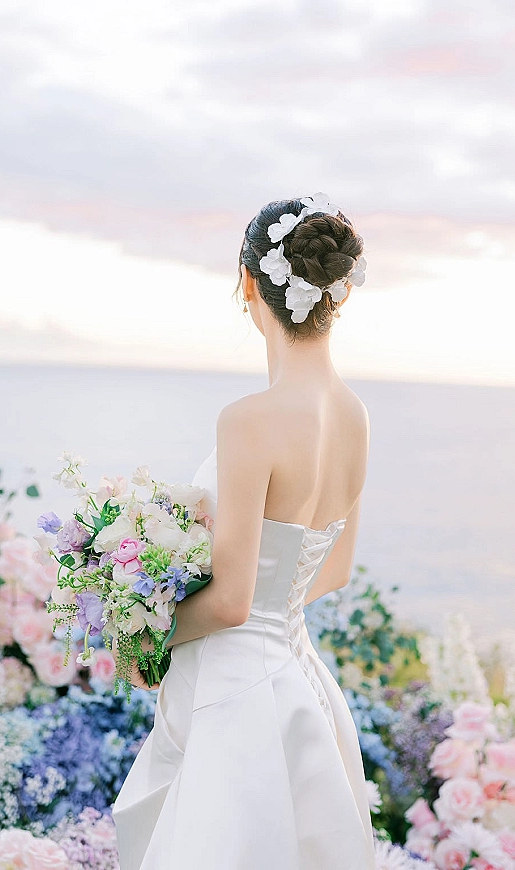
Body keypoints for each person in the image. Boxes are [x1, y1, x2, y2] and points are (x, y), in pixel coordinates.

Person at [112, 193, 376, 870]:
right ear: (338, 292)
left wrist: (143, 639)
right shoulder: (355, 416)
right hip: (299, 681)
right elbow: (335, 570)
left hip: (234, 696)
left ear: (250, 284)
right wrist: (269, 612)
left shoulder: (249, 420)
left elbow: (231, 603)